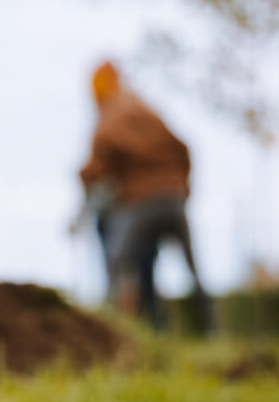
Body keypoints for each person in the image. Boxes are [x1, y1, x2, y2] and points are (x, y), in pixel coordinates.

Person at [78, 61, 209, 331]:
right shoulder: (146, 109)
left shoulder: (111, 114)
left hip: (139, 202)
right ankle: (209, 327)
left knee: (118, 258)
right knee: (193, 270)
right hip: (174, 201)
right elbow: (183, 148)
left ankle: (125, 328)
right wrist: (182, 189)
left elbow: (97, 166)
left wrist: (85, 176)